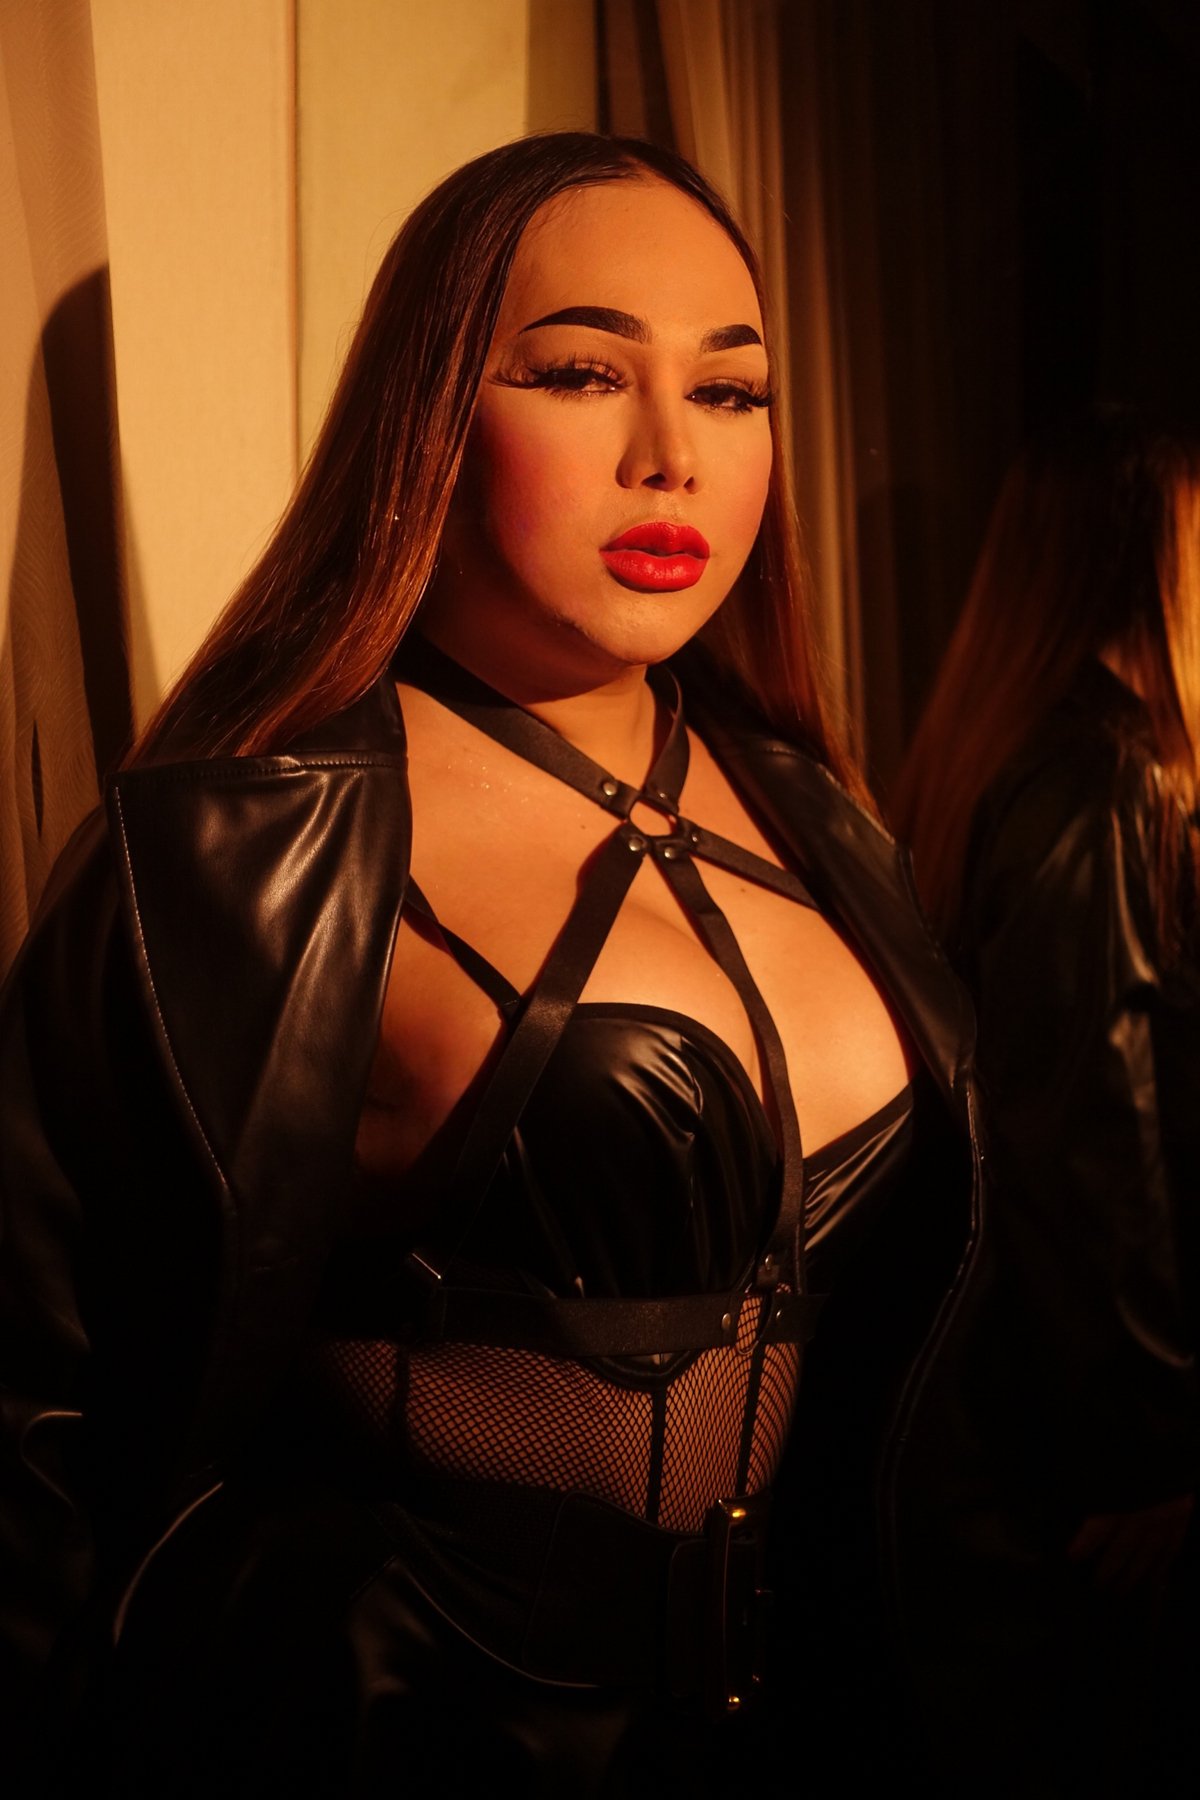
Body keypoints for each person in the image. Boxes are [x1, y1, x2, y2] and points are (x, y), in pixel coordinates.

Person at [0, 132, 980, 1796]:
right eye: (584, 373)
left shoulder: (818, 804)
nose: (670, 457)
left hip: (822, 1721)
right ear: (433, 412)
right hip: (404, 1735)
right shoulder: (249, 844)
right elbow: (37, 1405)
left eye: (731, 391)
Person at [895, 406, 1200, 1794]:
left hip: (1016, 1402)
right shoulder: (1103, 777)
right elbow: (1090, 1126)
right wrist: (1152, 1445)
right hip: (1082, 1437)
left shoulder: (1011, 746)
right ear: (1141, 555)